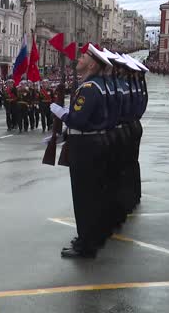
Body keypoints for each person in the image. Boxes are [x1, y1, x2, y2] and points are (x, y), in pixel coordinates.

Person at [50, 44, 113, 259]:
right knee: (92, 196)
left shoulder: (89, 88)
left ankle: (86, 245)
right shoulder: (97, 85)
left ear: (92, 64)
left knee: (84, 197)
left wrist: (61, 113)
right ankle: (89, 238)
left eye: (84, 56)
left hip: (85, 147)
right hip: (93, 143)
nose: (79, 58)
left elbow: (78, 119)